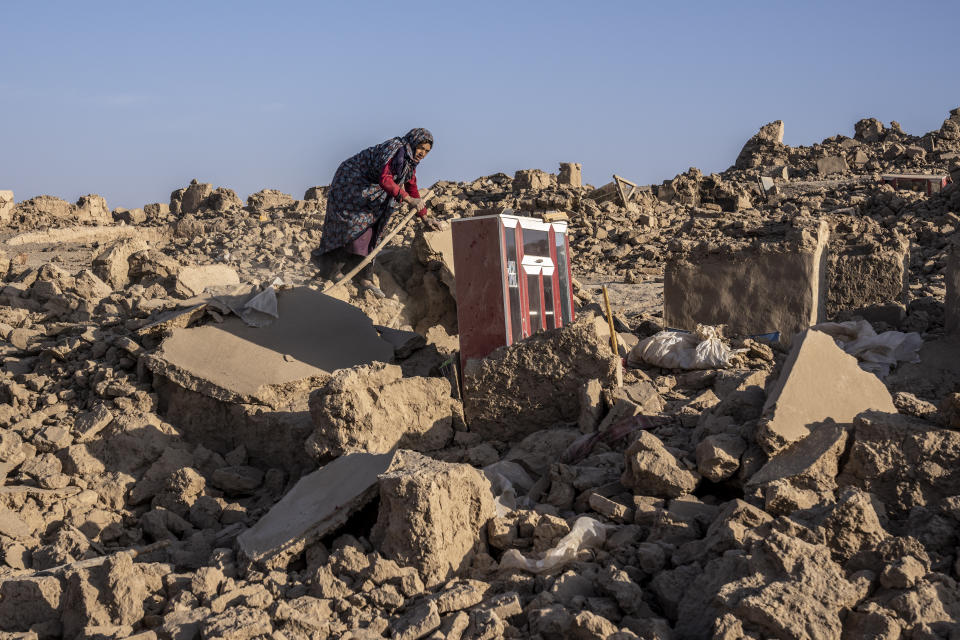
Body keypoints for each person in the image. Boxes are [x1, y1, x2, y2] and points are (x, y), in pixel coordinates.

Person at [312, 127, 441, 297]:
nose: (422, 153)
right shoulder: (396, 150)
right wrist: (408, 200)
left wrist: (425, 217)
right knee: (354, 224)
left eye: (427, 151)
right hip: (352, 183)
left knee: (373, 226)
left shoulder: (409, 163)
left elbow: (412, 188)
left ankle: (364, 277)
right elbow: (385, 179)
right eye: (421, 148)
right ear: (413, 142)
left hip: (371, 190)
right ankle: (332, 270)